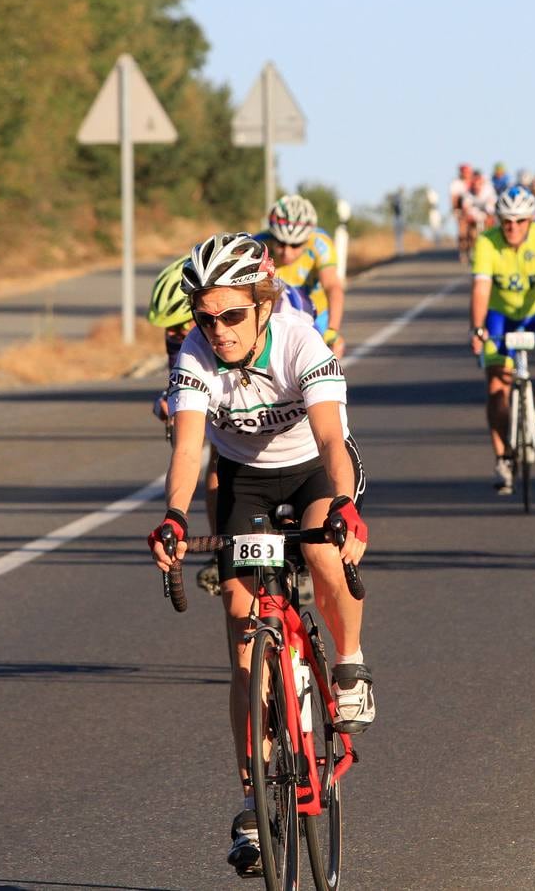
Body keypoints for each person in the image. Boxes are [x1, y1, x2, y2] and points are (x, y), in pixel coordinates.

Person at [146, 232, 373, 877]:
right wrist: (172, 517)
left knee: (327, 553)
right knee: (245, 646)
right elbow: (188, 450)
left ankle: (350, 666)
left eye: (232, 316)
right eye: (205, 317)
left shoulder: (302, 339)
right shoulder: (195, 355)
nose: (218, 331)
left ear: (264, 304)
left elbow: (332, 436)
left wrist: (347, 506)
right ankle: (252, 802)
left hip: (312, 468)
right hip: (244, 476)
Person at [147, 252, 314, 596]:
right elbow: (180, 378)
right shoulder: (191, 337)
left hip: (291, 401)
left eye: (183, 327)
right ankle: (221, 548)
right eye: (172, 331)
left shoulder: (280, 314)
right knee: (217, 458)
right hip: (234, 420)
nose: (179, 336)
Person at [469, 185, 535, 493]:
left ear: (531, 220)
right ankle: (503, 458)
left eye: (520, 221)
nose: (512, 227)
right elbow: (480, 290)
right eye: (507, 222)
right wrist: (477, 328)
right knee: (496, 387)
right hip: (501, 314)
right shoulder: (487, 242)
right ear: (499, 222)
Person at [254, 194, 346, 358]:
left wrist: (333, 330)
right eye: (281, 243)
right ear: (271, 236)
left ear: (307, 239)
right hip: (275, 315)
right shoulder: (258, 246)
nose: (287, 252)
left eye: (295, 245)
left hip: (316, 317)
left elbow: (333, 287)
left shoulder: (320, 244)